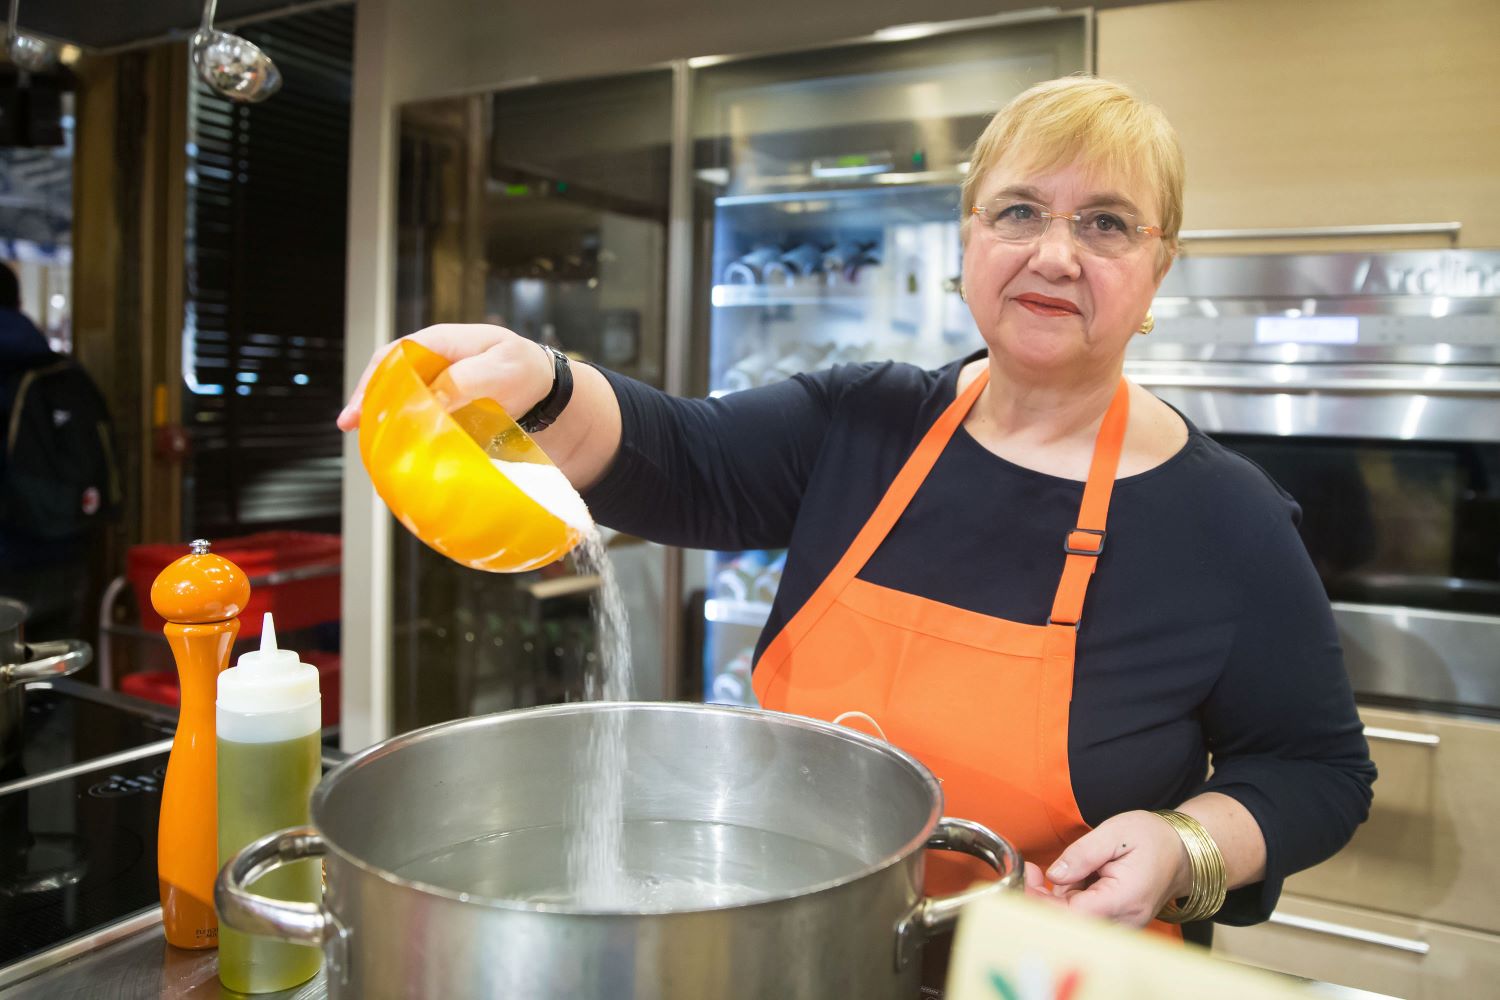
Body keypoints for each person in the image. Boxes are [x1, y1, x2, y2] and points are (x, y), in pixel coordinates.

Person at [340, 76, 1374, 977]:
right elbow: (683, 457)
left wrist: (1187, 845)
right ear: (969, 238)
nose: (1055, 253)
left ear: (1159, 268)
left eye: (1107, 222)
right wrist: (547, 382)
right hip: (811, 957)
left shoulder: (1224, 517)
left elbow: (1317, 770)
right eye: (1018, 211)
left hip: (1050, 970)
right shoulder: (864, 423)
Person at [0, 262, 118, 642]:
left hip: (8, 555)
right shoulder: (62, 372)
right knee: (51, 672)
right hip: (65, 549)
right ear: (18, 302)